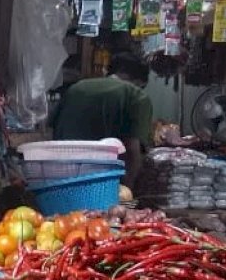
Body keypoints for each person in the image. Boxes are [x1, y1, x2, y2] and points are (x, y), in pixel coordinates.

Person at [51, 52, 153, 190]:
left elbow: (53, 130)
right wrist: (128, 191)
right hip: (104, 185)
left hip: (62, 180)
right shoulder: (135, 95)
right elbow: (131, 150)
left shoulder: (76, 88)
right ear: (138, 81)